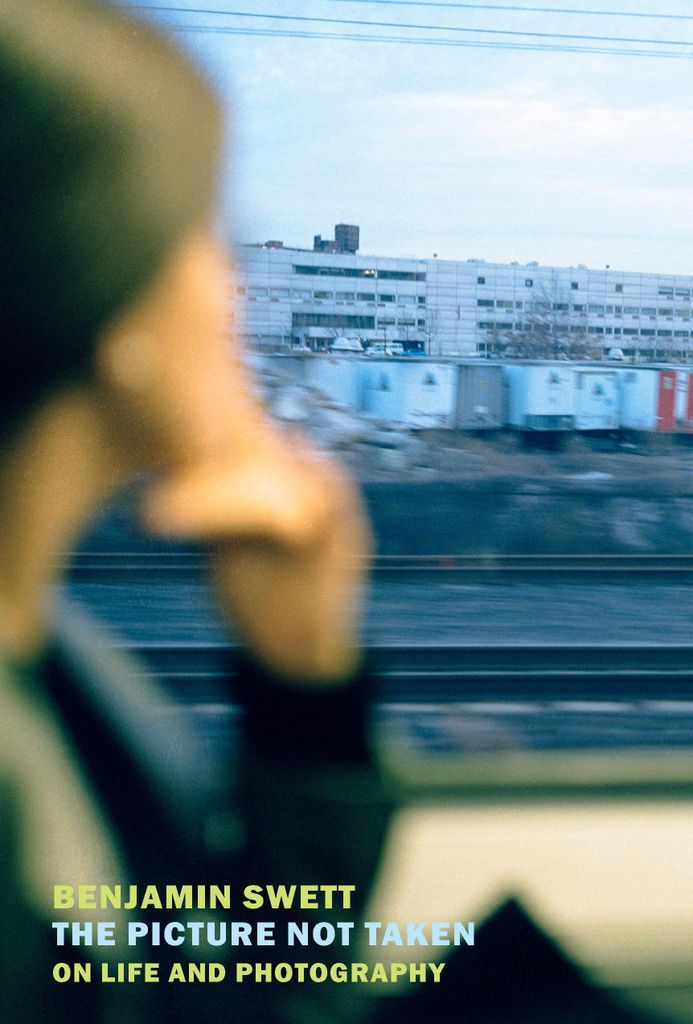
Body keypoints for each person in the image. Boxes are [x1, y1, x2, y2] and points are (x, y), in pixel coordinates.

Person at [0, 2, 392, 1021]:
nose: (234, 292)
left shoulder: (50, 658)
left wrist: (301, 688)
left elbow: (229, 991)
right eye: (209, 236)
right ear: (108, 285)